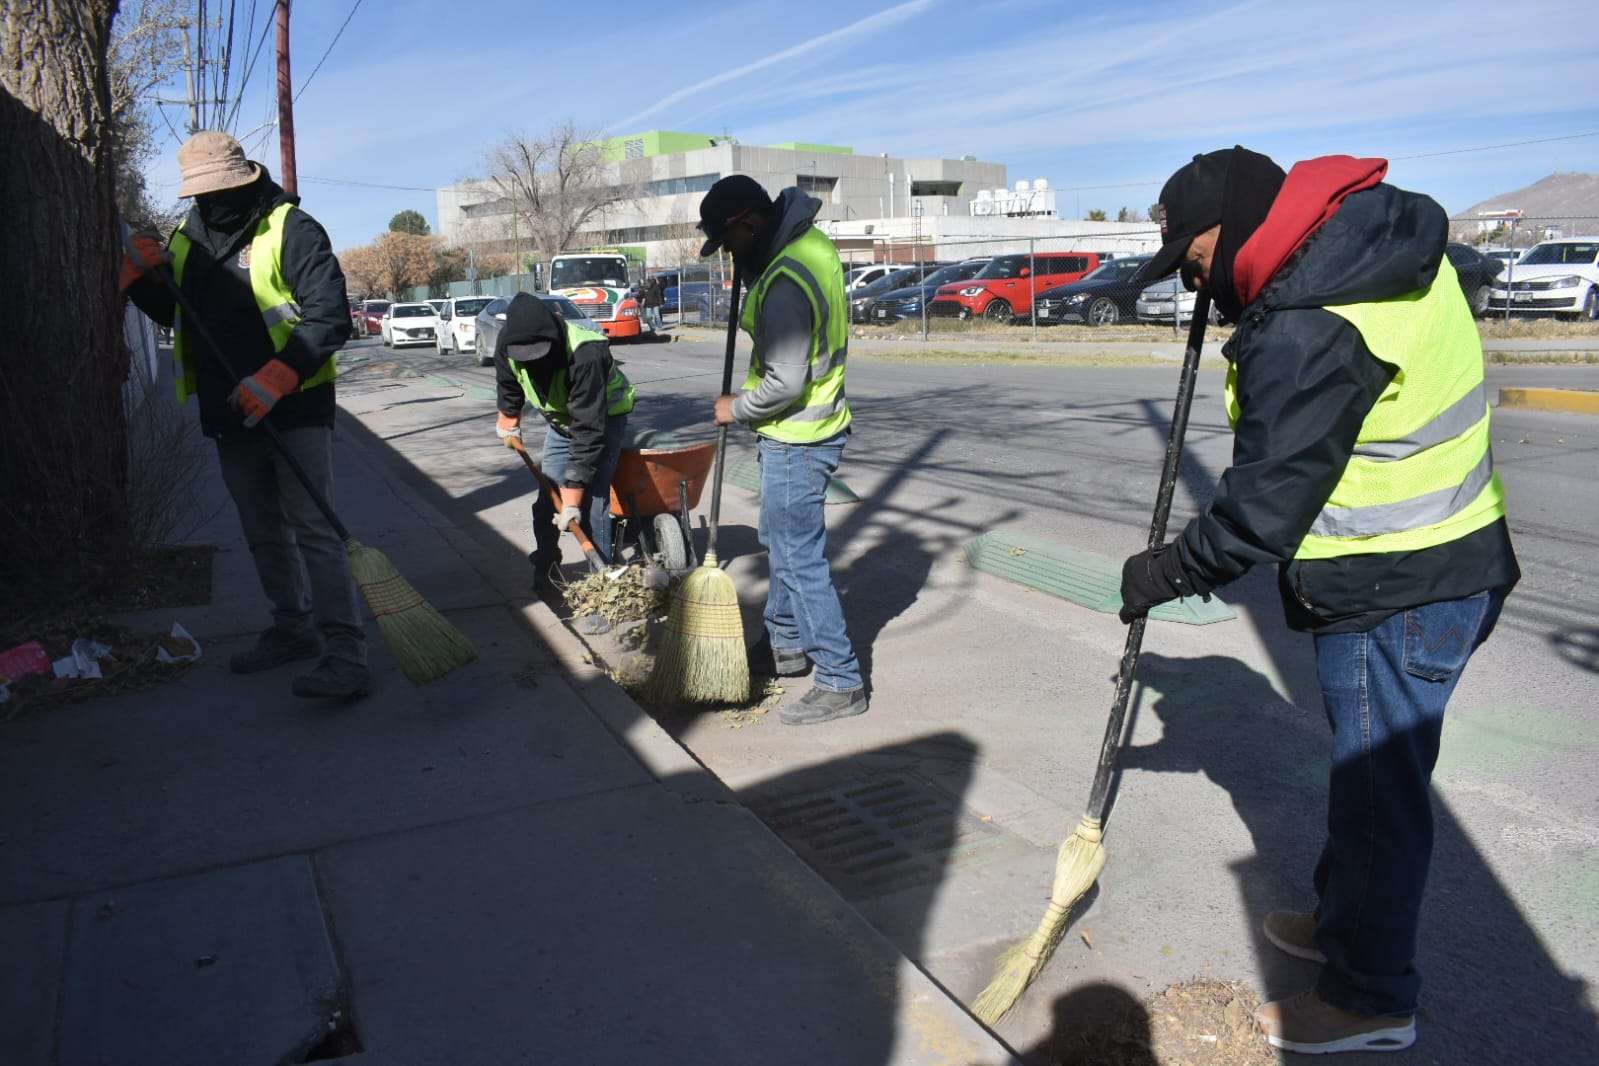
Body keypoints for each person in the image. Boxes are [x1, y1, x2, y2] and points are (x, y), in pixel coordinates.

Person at [1120, 147, 1519, 1054]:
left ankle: (1369, 998)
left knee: (1377, 798)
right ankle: (1348, 922)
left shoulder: (1313, 320)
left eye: (1191, 256)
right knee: (1367, 785)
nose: (1192, 278)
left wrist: (1166, 572)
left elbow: (1264, 507)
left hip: (1398, 584)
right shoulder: (1365, 255)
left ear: (1233, 229)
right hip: (1433, 567)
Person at [123, 131, 367, 699]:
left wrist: (276, 377)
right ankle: (292, 629)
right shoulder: (187, 237)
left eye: (218, 189)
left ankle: (345, 652)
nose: (210, 201)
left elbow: (330, 317)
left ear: (244, 177)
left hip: (296, 404)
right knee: (262, 532)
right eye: (201, 193)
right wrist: (141, 279)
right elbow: (179, 314)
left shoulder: (290, 228)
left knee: (314, 531)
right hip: (227, 409)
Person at [696, 175, 866, 726]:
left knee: (799, 557)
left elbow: (787, 382)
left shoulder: (787, 279)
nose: (728, 258)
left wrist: (736, 408)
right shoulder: (803, 247)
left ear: (749, 222)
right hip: (806, 429)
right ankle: (786, 645)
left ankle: (840, 680)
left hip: (799, 433)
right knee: (781, 541)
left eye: (730, 245)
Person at [493, 292, 633, 629]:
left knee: (591, 501)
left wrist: (571, 500)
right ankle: (548, 561)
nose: (532, 361)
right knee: (547, 497)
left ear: (554, 334)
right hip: (559, 420)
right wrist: (508, 421)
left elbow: (587, 432)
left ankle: (603, 591)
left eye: (538, 354)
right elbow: (509, 384)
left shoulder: (586, 352)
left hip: (603, 417)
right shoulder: (508, 343)